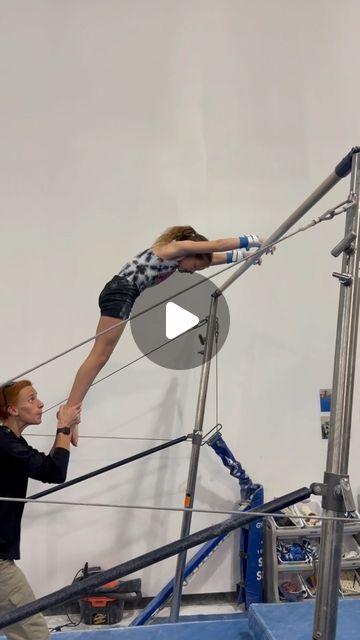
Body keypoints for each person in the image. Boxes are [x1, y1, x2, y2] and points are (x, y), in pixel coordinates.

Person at [67, 225, 273, 444]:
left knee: (101, 356)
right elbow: (215, 245)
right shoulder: (174, 248)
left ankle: (72, 413)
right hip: (121, 291)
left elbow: (212, 257)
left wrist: (245, 256)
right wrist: (254, 240)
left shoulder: (179, 260)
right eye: (194, 267)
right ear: (192, 252)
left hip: (123, 292)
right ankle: (70, 411)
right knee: (100, 356)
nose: (190, 271)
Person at [0, 380, 81, 640]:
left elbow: (45, 466)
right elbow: (55, 472)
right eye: (32, 399)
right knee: (32, 633)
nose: (41, 403)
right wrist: (64, 426)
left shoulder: (9, 442)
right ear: (12, 409)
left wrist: (65, 430)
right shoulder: (6, 444)